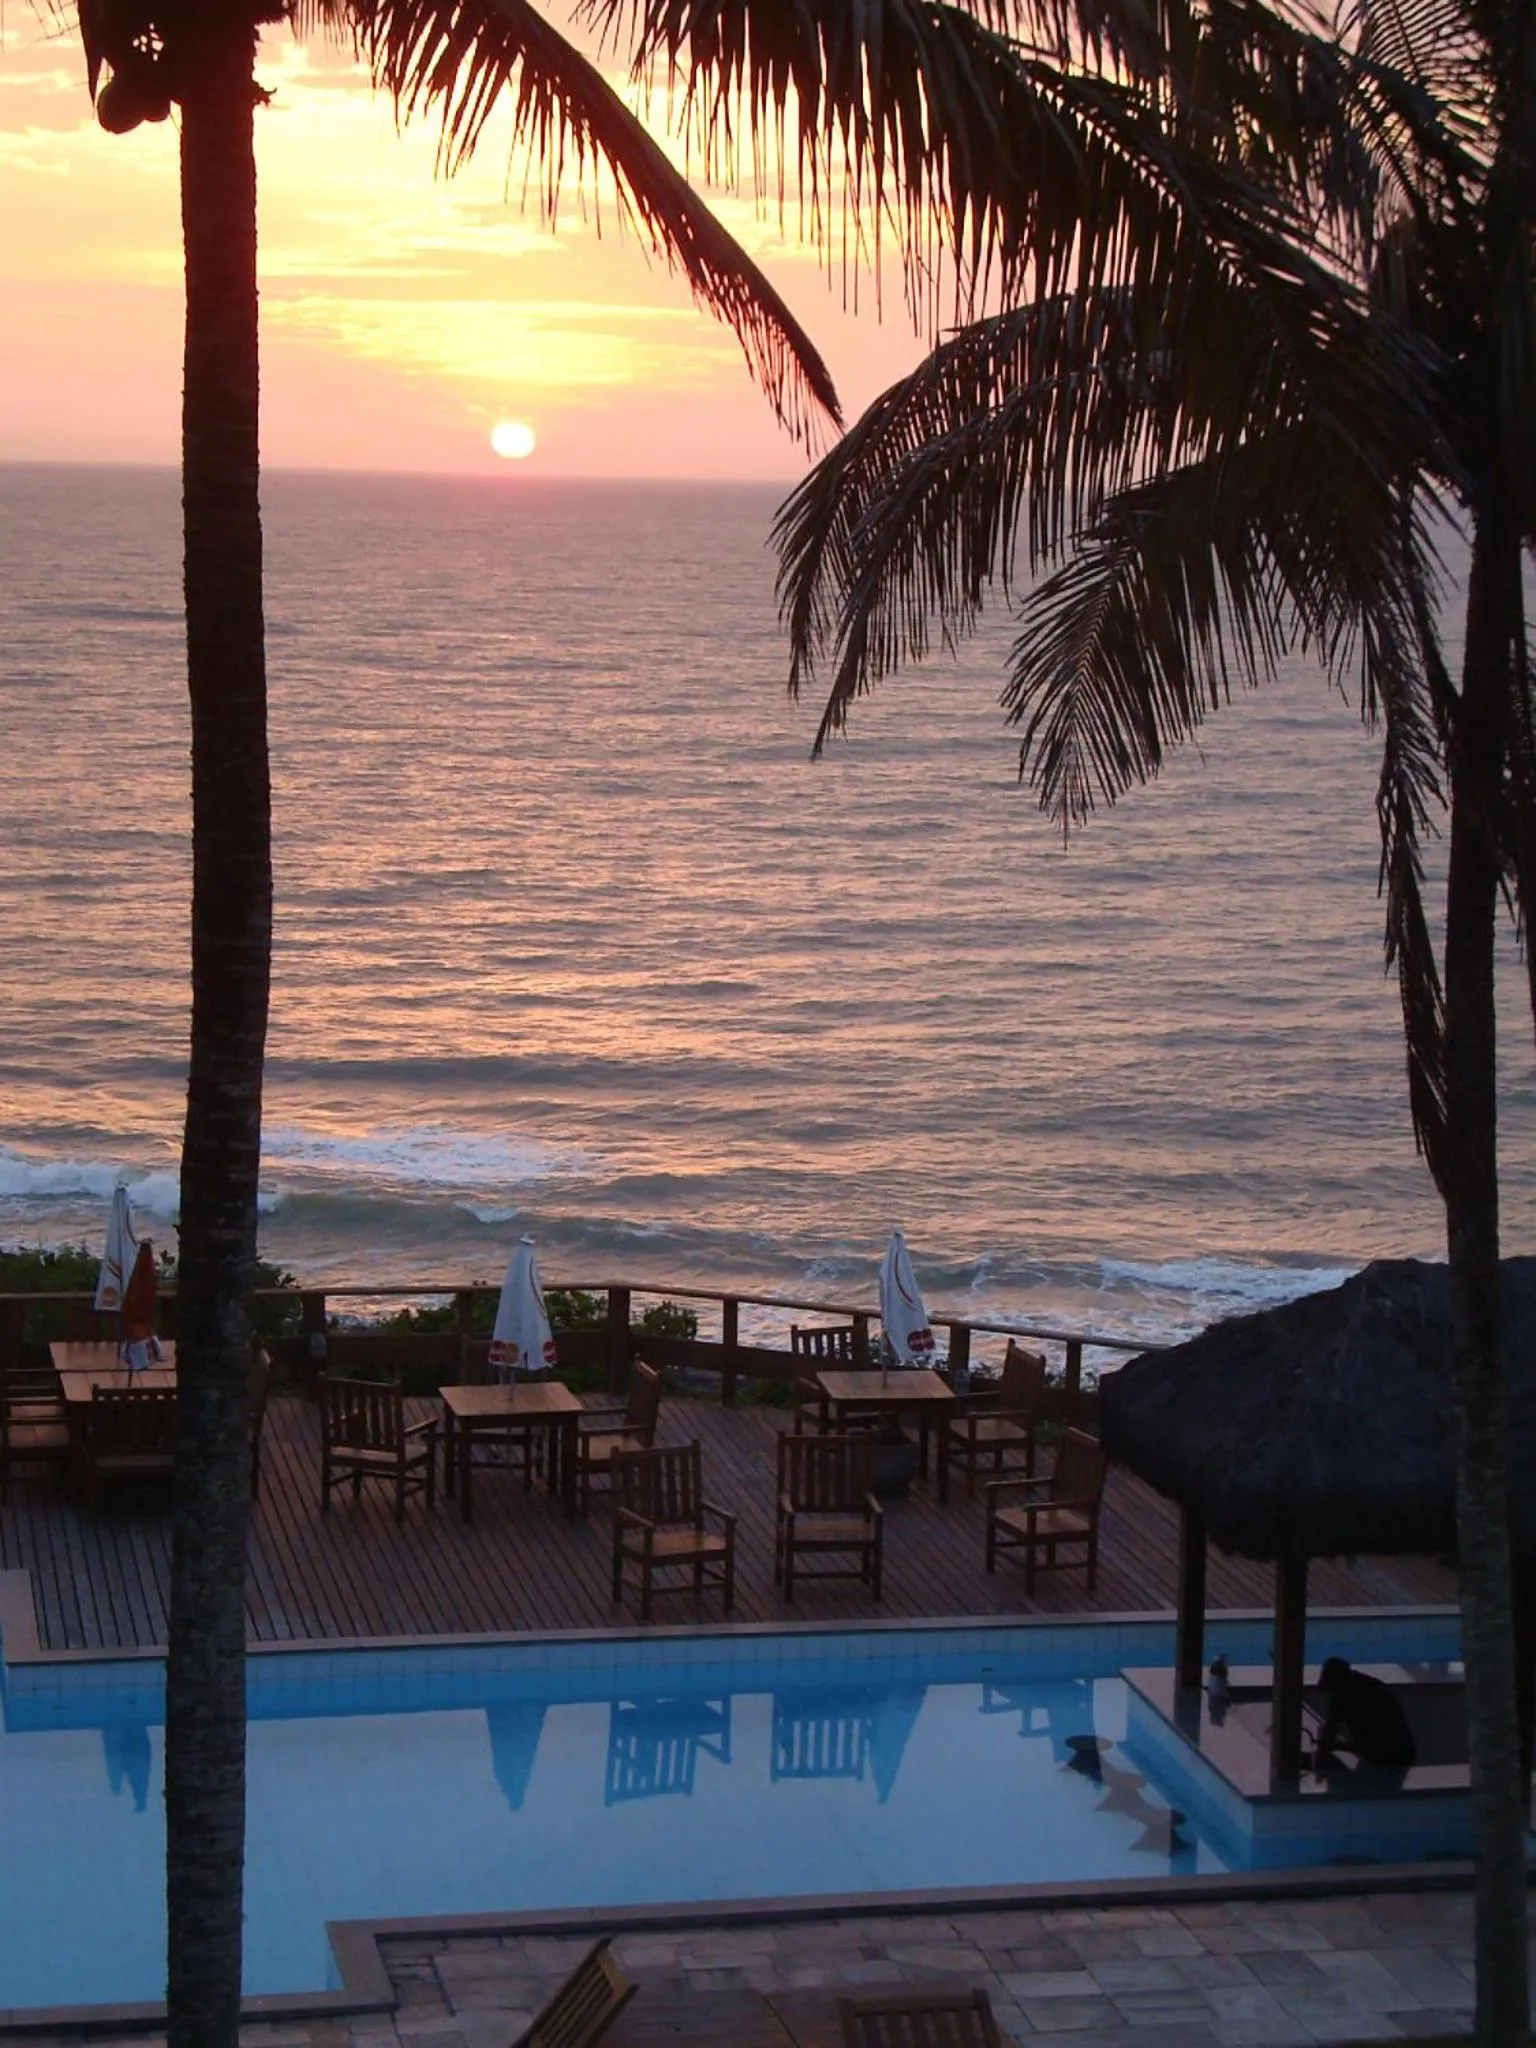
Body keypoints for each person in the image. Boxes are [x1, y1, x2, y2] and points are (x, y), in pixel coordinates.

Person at [1314, 1656, 1417, 1772]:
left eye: (1334, 1689)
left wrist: (1338, 1745)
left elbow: (1376, 1744)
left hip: (1396, 1757)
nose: (1333, 1694)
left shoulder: (1375, 1696)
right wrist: (1326, 1743)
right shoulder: (1340, 1691)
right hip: (1376, 1755)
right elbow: (1331, 1726)